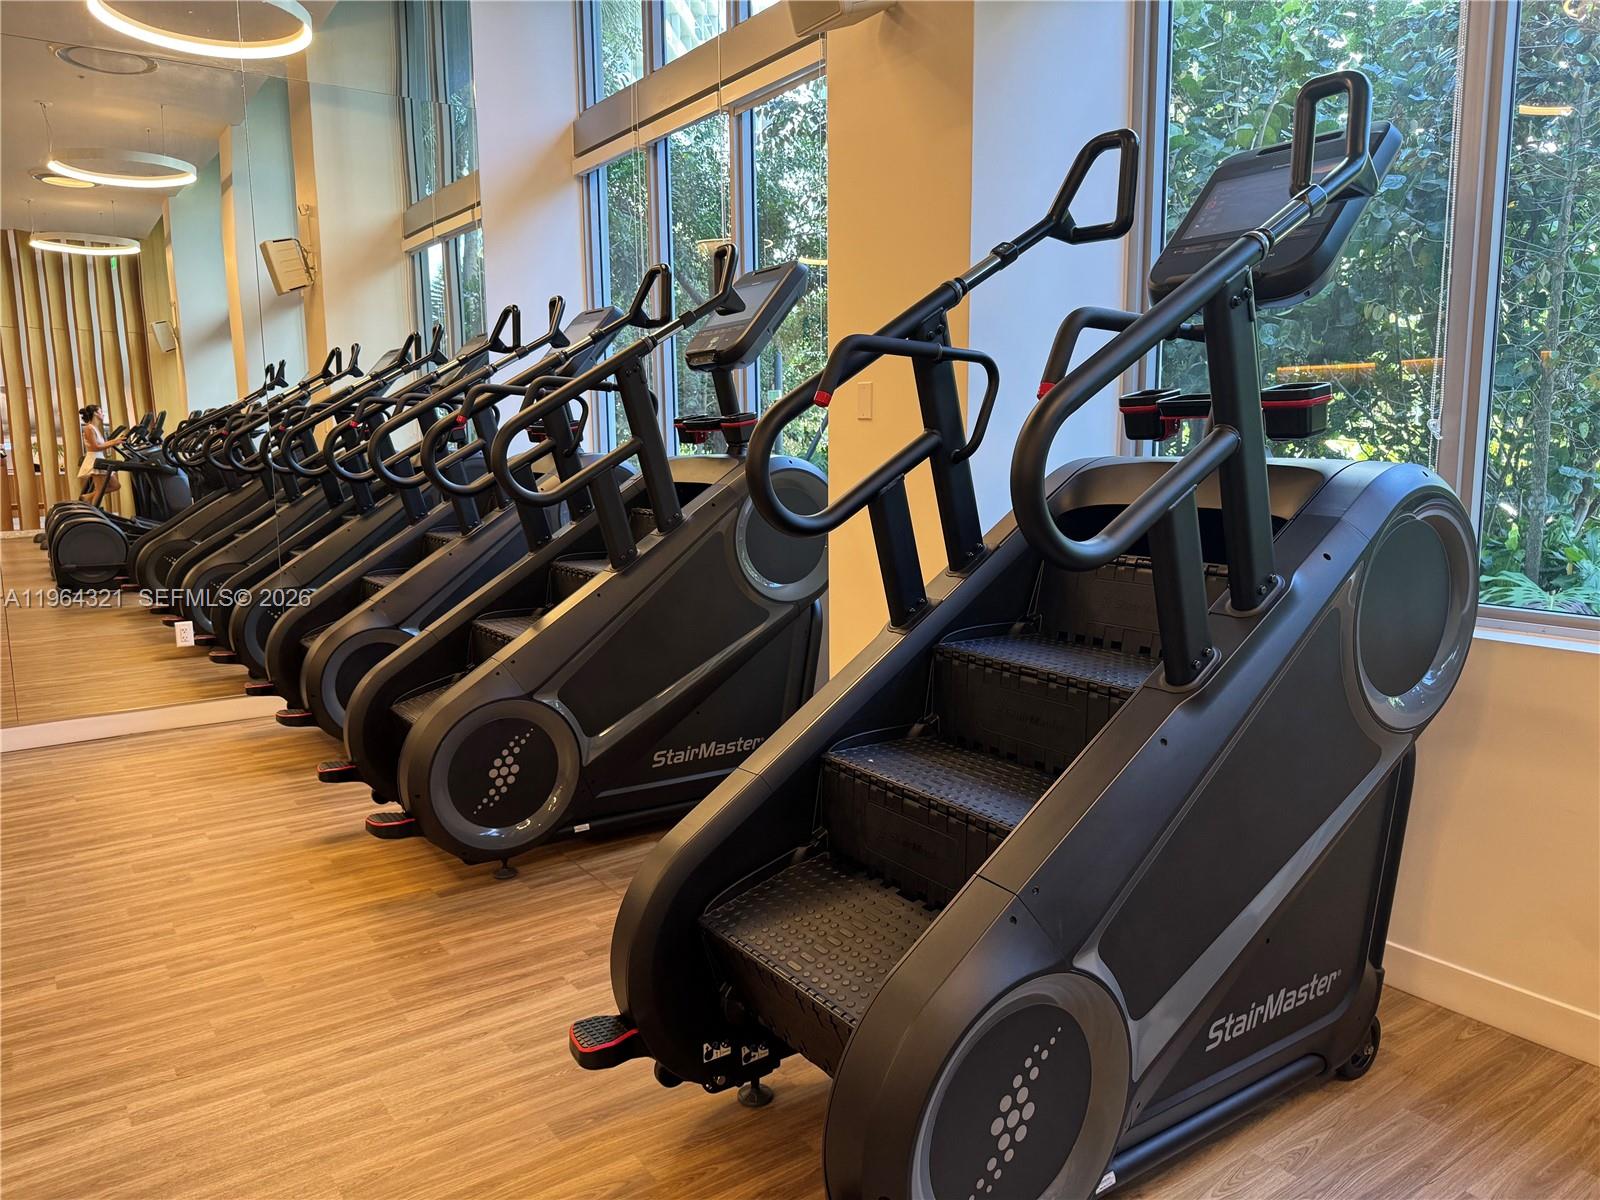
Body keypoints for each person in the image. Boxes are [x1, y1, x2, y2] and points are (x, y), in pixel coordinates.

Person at [79, 405, 125, 505]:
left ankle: (87, 497)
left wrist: (116, 440)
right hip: (95, 460)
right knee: (100, 490)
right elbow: (94, 447)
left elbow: (101, 444)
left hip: (100, 458)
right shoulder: (89, 428)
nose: (103, 413)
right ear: (95, 413)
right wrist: (113, 443)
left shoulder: (94, 428)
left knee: (116, 485)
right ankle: (94, 512)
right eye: (101, 411)